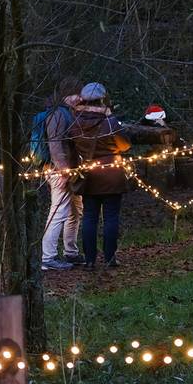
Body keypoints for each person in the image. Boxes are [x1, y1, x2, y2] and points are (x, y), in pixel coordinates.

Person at [68, 82, 131, 269]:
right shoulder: (109, 121)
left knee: (89, 217)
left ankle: (89, 260)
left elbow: (73, 145)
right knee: (111, 217)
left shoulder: (75, 121)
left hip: (88, 173)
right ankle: (110, 258)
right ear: (103, 99)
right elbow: (125, 145)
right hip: (111, 173)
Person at [39, 78, 84, 271]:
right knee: (58, 212)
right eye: (77, 94)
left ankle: (70, 252)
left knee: (75, 210)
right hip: (59, 172)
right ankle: (48, 258)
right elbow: (55, 144)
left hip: (69, 171)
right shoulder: (57, 114)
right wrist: (64, 169)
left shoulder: (67, 113)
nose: (80, 98)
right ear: (67, 96)